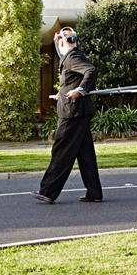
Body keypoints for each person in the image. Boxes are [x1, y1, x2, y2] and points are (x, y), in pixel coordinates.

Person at [32, 27, 103, 203]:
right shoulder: (75, 56)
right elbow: (75, 79)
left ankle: (48, 191)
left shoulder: (72, 57)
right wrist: (63, 92)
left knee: (61, 150)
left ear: (62, 42)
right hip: (79, 112)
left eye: (58, 43)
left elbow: (91, 71)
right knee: (85, 153)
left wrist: (79, 90)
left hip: (73, 113)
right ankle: (94, 193)